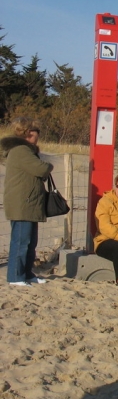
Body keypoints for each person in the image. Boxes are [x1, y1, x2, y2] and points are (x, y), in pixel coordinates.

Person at [1, 117, 53, 286]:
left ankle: (27, 274)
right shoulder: (21, 150)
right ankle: (15, 277)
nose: (38, 135)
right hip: (23, 203)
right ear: (29, 133)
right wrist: (48, 166)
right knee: (21, 241)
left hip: (29, 202)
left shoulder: (25, 151)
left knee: (31, 242)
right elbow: (41, 168)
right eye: (36, 131)